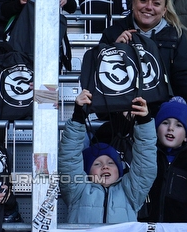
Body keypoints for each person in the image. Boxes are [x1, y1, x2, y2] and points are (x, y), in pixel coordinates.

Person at [101, 0, 187, 120]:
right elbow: (100, 77)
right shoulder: (113, 33)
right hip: (123, 113)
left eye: (156, 3)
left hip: (162, 114)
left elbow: (183, 76)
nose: (148, 7)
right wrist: (114, 51)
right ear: (133, 3)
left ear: (164, 10)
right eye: (143, 0)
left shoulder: (175, 35)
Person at [59, 90, 157, 224]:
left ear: (120, 169)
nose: (105, 166)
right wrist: (78, 116)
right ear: (86, 172)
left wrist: (144, 121)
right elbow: (69, 159)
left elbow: (145, 164)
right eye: (97, 164)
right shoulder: (77, 190)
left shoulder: (131, 191)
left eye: (111, 163)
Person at [141, 97, 187, 223]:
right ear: (156, 129)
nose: (171, 128)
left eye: (179, 125)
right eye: (165, 123)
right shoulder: (146, 159)